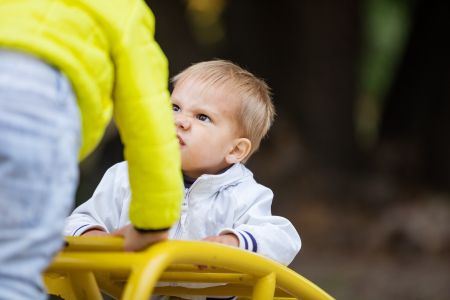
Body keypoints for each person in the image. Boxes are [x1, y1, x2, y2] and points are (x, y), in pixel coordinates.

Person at [0, 1, 183, 299]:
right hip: (34, 103)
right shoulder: (122, 9)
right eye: (178, 109)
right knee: (11, 272)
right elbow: (150, 125)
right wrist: (153, 223)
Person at [65, 60, 301, 267]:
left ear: (235, 150)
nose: (180, 121)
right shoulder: (127, 176)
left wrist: (233, 242)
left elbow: (284, 240)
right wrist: (97, 237)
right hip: (139, 289)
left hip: (210, 294)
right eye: (175, 107)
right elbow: (75, 222)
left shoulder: (244, 195)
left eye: (202, 117)